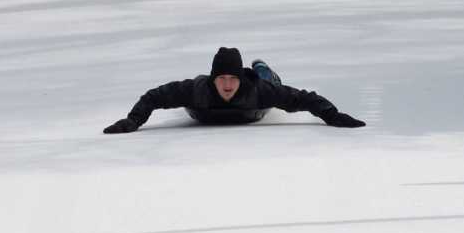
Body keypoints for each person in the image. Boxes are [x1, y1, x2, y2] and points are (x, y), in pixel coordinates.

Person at [103, 47, 366, 133]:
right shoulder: (195, 91)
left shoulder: (260, 92)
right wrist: (132, 121)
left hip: (262, 85)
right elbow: (154, 97)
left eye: (233, 78)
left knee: (269, 80)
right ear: (213, 79)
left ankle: (261, 66)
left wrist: (333, 116)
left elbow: (305, 99)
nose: (228, 84)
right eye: (222, 78)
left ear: (240, 80)